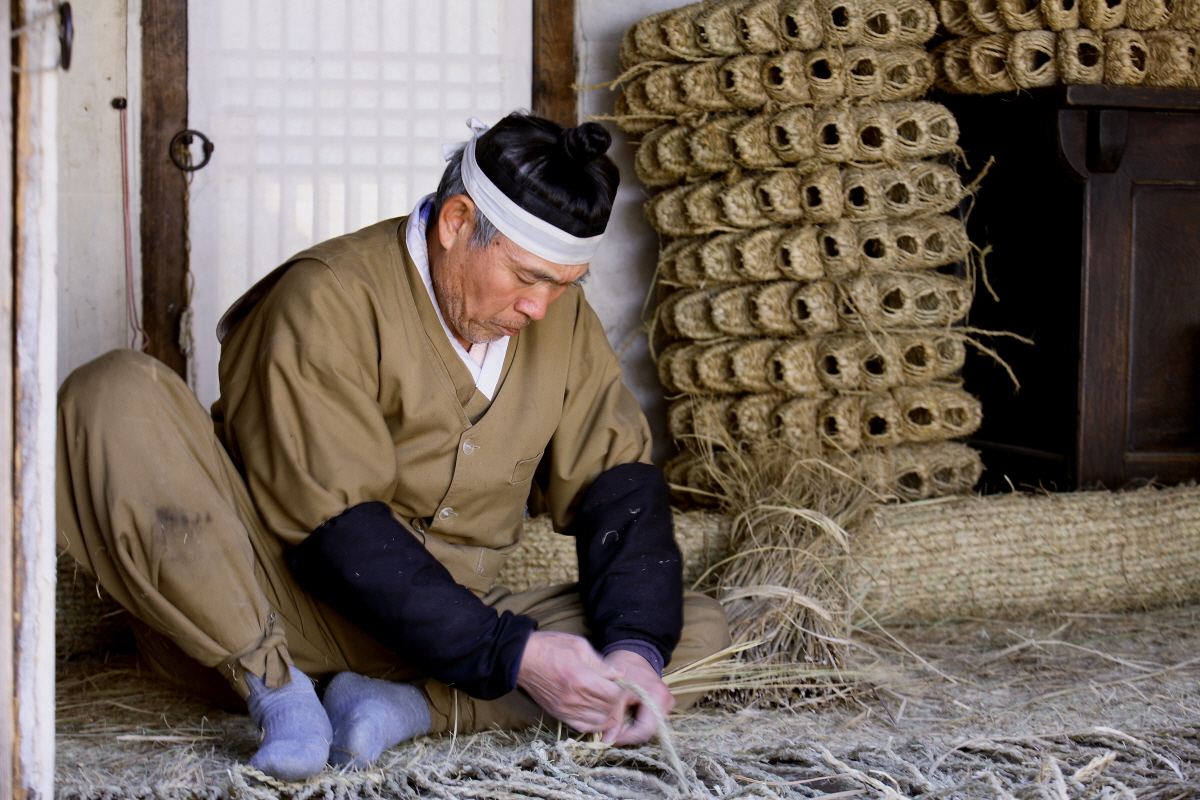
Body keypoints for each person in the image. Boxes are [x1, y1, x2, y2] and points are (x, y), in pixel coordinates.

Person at [57, 112, 732, 782]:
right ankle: (279, 693)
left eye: (564, 284)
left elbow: (618, 488)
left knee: (685, 629)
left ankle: (401, 706)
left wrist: (632, 654)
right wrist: (512, 656)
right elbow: (335, 533)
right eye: (527, 277)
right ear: (457, 222)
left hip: (447, 640)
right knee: (115, 390)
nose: (540, 308)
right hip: (272, 607)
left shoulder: (558, 322)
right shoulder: (328, 296)